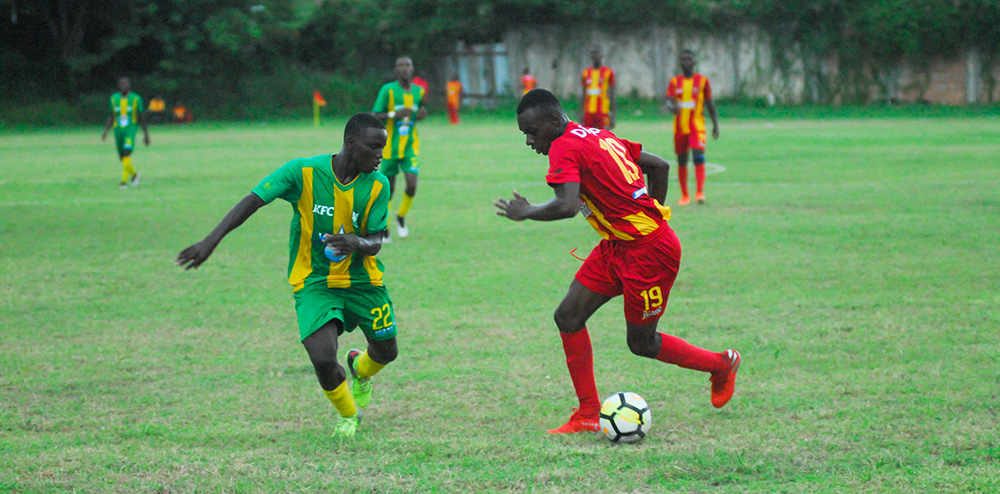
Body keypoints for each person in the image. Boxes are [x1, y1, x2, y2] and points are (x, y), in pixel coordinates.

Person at [494, 89, 740, 434]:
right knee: (568, 316)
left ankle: (720, 364)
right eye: (525, 134)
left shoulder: (565, 146)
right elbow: (659, 165)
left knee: (641, 343)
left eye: (532, 132)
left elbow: (566, 206)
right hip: (618, 246)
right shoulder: (595, 133)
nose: (530, 141)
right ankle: (588, 413)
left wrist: (526, 212)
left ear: (553, 120)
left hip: (650, 253)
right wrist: (647, 215)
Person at [176, 113, 398, 439]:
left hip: (364, 283)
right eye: (374, 147)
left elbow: (377, 241)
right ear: (351, 143)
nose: (380, 155)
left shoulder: (379, 184)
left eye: (383, 148)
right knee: (322, 358)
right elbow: (253, 200)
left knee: (386, 352)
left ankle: (360, 367)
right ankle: (349, 414)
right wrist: (211, 241)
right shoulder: (303, 172)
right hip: (315, 282)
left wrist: (356, 243)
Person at [372, 56, 427, 241]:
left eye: (407, 66)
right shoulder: (387, 90)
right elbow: (374, 115)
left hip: (410, 146)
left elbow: (420, 112)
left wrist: (420, 114)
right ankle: (384, 225)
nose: (404, 69)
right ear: (395, 71)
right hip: (388, 148)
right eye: (400, 66)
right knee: (390, 189)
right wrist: (393, 114)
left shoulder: (419, 92)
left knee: (412, 184)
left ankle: (401, 216)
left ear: (412, 69)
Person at [665, 49, 719, 205]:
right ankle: (685, 195)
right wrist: (671, 106)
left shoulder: (703, 81)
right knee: (682, 160)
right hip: (680, 128)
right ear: (680, 62)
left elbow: (710, 103)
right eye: (683, 59)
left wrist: (715, 124)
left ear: (694, 62)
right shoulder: (675, 82)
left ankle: (700, 193)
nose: (686, 61)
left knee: (698, 156)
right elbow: (669, 99)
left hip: (697, 126)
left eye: (689, 58)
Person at [100, 76, 150, 189]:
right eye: (121, 84)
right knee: (122, 158)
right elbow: (111, 116)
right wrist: (106, 131)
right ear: (118, 86)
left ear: (129, 85)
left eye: (125, 84)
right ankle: (135, 175)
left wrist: (146, 134)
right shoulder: (113, 99)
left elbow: (140, 117)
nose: (123, 86)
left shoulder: (136, 99)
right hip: (118, 132)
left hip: (130, 130)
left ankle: (123, 182)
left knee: (127, 152)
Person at [580, 47, 616, 130]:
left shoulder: (608, 72)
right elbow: (583, 94)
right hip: (588, 111)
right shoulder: (586, 73)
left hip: (603, 111)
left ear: (602, 55)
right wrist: (581, 112)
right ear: (591, 56)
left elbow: (613, 94)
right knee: (588, 136)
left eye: (598, 53)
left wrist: (613, 115)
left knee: (604, 135)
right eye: (593, 53)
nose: (596, 56)